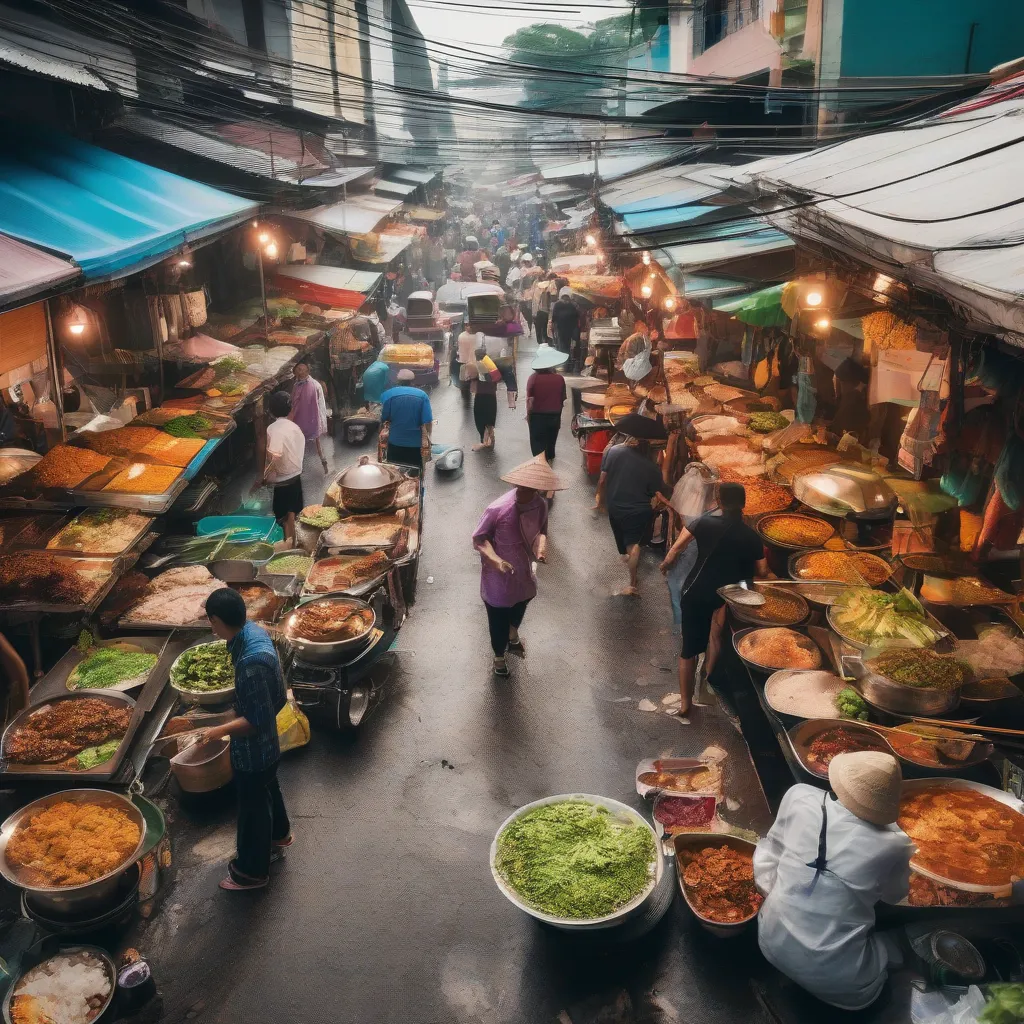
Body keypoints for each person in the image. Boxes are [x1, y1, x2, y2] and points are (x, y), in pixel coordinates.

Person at [754, 752, 914, 1011]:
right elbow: (894, 896)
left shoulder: (799, 796)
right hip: (848, 990)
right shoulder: (896, 845)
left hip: (770, 943)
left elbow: (772, 850)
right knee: (898, 947)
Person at [201, 588, 290, 892]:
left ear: (216, 619)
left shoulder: (250, 665)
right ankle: (280, 834)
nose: (211, 627)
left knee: (252, 811)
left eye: (211, 621)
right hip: (269, 750)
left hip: (255, 752)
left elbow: (255, 723)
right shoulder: (252, 631)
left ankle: (251, 873)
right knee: (269, 787)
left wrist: (215, 732)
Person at [659, 482, 768, 716]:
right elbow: (762, 570)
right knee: (716, 637)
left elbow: (677, 548)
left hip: (697, 590)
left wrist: (665, 565)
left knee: (688, 649)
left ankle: (686, 704)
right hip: (729, 596)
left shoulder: (703, 522)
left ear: (719, 501)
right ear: (744, 505)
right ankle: (708, 683)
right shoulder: (751, 536)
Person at [472, 456, 562, 676]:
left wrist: (541, 548)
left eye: (532, 488)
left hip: (523, 566)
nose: (526, 491)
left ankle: (513, 634)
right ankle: (499, 656)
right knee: (498, 613)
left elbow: (542, 530)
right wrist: (496, 560)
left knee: (524, 598)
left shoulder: (540, 504)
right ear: (516, 484)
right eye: (523, 487)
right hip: (498, 574)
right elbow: (479, 539)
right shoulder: (498, 509)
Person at [595, 432, 671, 598]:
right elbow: (658, 493)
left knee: (625, 543)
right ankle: (632, 582)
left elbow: (602, 480)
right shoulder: (652, 468)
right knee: (633, 545)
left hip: (615, 506)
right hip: (639, 511)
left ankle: (631, 569)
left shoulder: (613, 451)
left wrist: (599, 499)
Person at [253, 390, 305, 547]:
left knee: (283, 518)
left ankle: (289, 546)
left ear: (271, 411)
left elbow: (275, 456)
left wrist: (263, 477)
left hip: (282, 480)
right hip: (296, 476)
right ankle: (294, 544)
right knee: (293, 513)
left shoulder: (273, 429)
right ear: (290, 409)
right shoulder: (295, 427)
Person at [380, 368, 432, 469]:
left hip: (395, 443)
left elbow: (384, 418)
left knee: (395, 473)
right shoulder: (422, 395)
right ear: (412, 382)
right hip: (414, 445)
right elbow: (428, 421)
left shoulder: (388, 395)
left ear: (398, 381)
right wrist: (428, 438)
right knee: (414, 475)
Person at [526, 344, 567, 463]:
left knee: (538, 444)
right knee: (551, 442)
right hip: (554, 415)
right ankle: (549, 461)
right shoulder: (559, 378)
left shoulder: (533, 378)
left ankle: (542, 468)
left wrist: (528, 417)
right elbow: (562, 399)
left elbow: (530, 401)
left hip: (537, 416)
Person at [288, 358, 329, 473]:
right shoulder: (299, 384)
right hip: (308, 420)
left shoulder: (310, 385)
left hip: (308, 419)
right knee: (315, 444)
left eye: (302, 370)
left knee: (305, 445)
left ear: (307, 371)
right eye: (298, 370)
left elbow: (307, 405)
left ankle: (320, 466)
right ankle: (323, 465)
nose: (300, 372)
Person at [470, 346, 498, 451]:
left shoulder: (476, 366)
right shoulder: (492, 366)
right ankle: (491, 436)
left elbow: (469, 378)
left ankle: (484, 441)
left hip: (481, 396)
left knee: (480, 418)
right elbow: (497, 379)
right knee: (490, 417)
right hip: (491, 396)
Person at [550, 287, 581, 363]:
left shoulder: (557, 304)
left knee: (562, 343)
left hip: (561, 327)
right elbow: (577, 316)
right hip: (570, 328)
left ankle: (564, 358)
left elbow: (554, 316)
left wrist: (553, 325)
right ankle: (567, 357)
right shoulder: (573, 305)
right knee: (568, 343)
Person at [533, 273, 556, 345]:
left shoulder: (539, 290)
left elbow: (536, 302)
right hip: (545, 312)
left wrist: (534, 313)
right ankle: (544, 340)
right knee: (544, 326)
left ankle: (540, 340)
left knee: (539, 327)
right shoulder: (548, 291)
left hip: (540, 311)